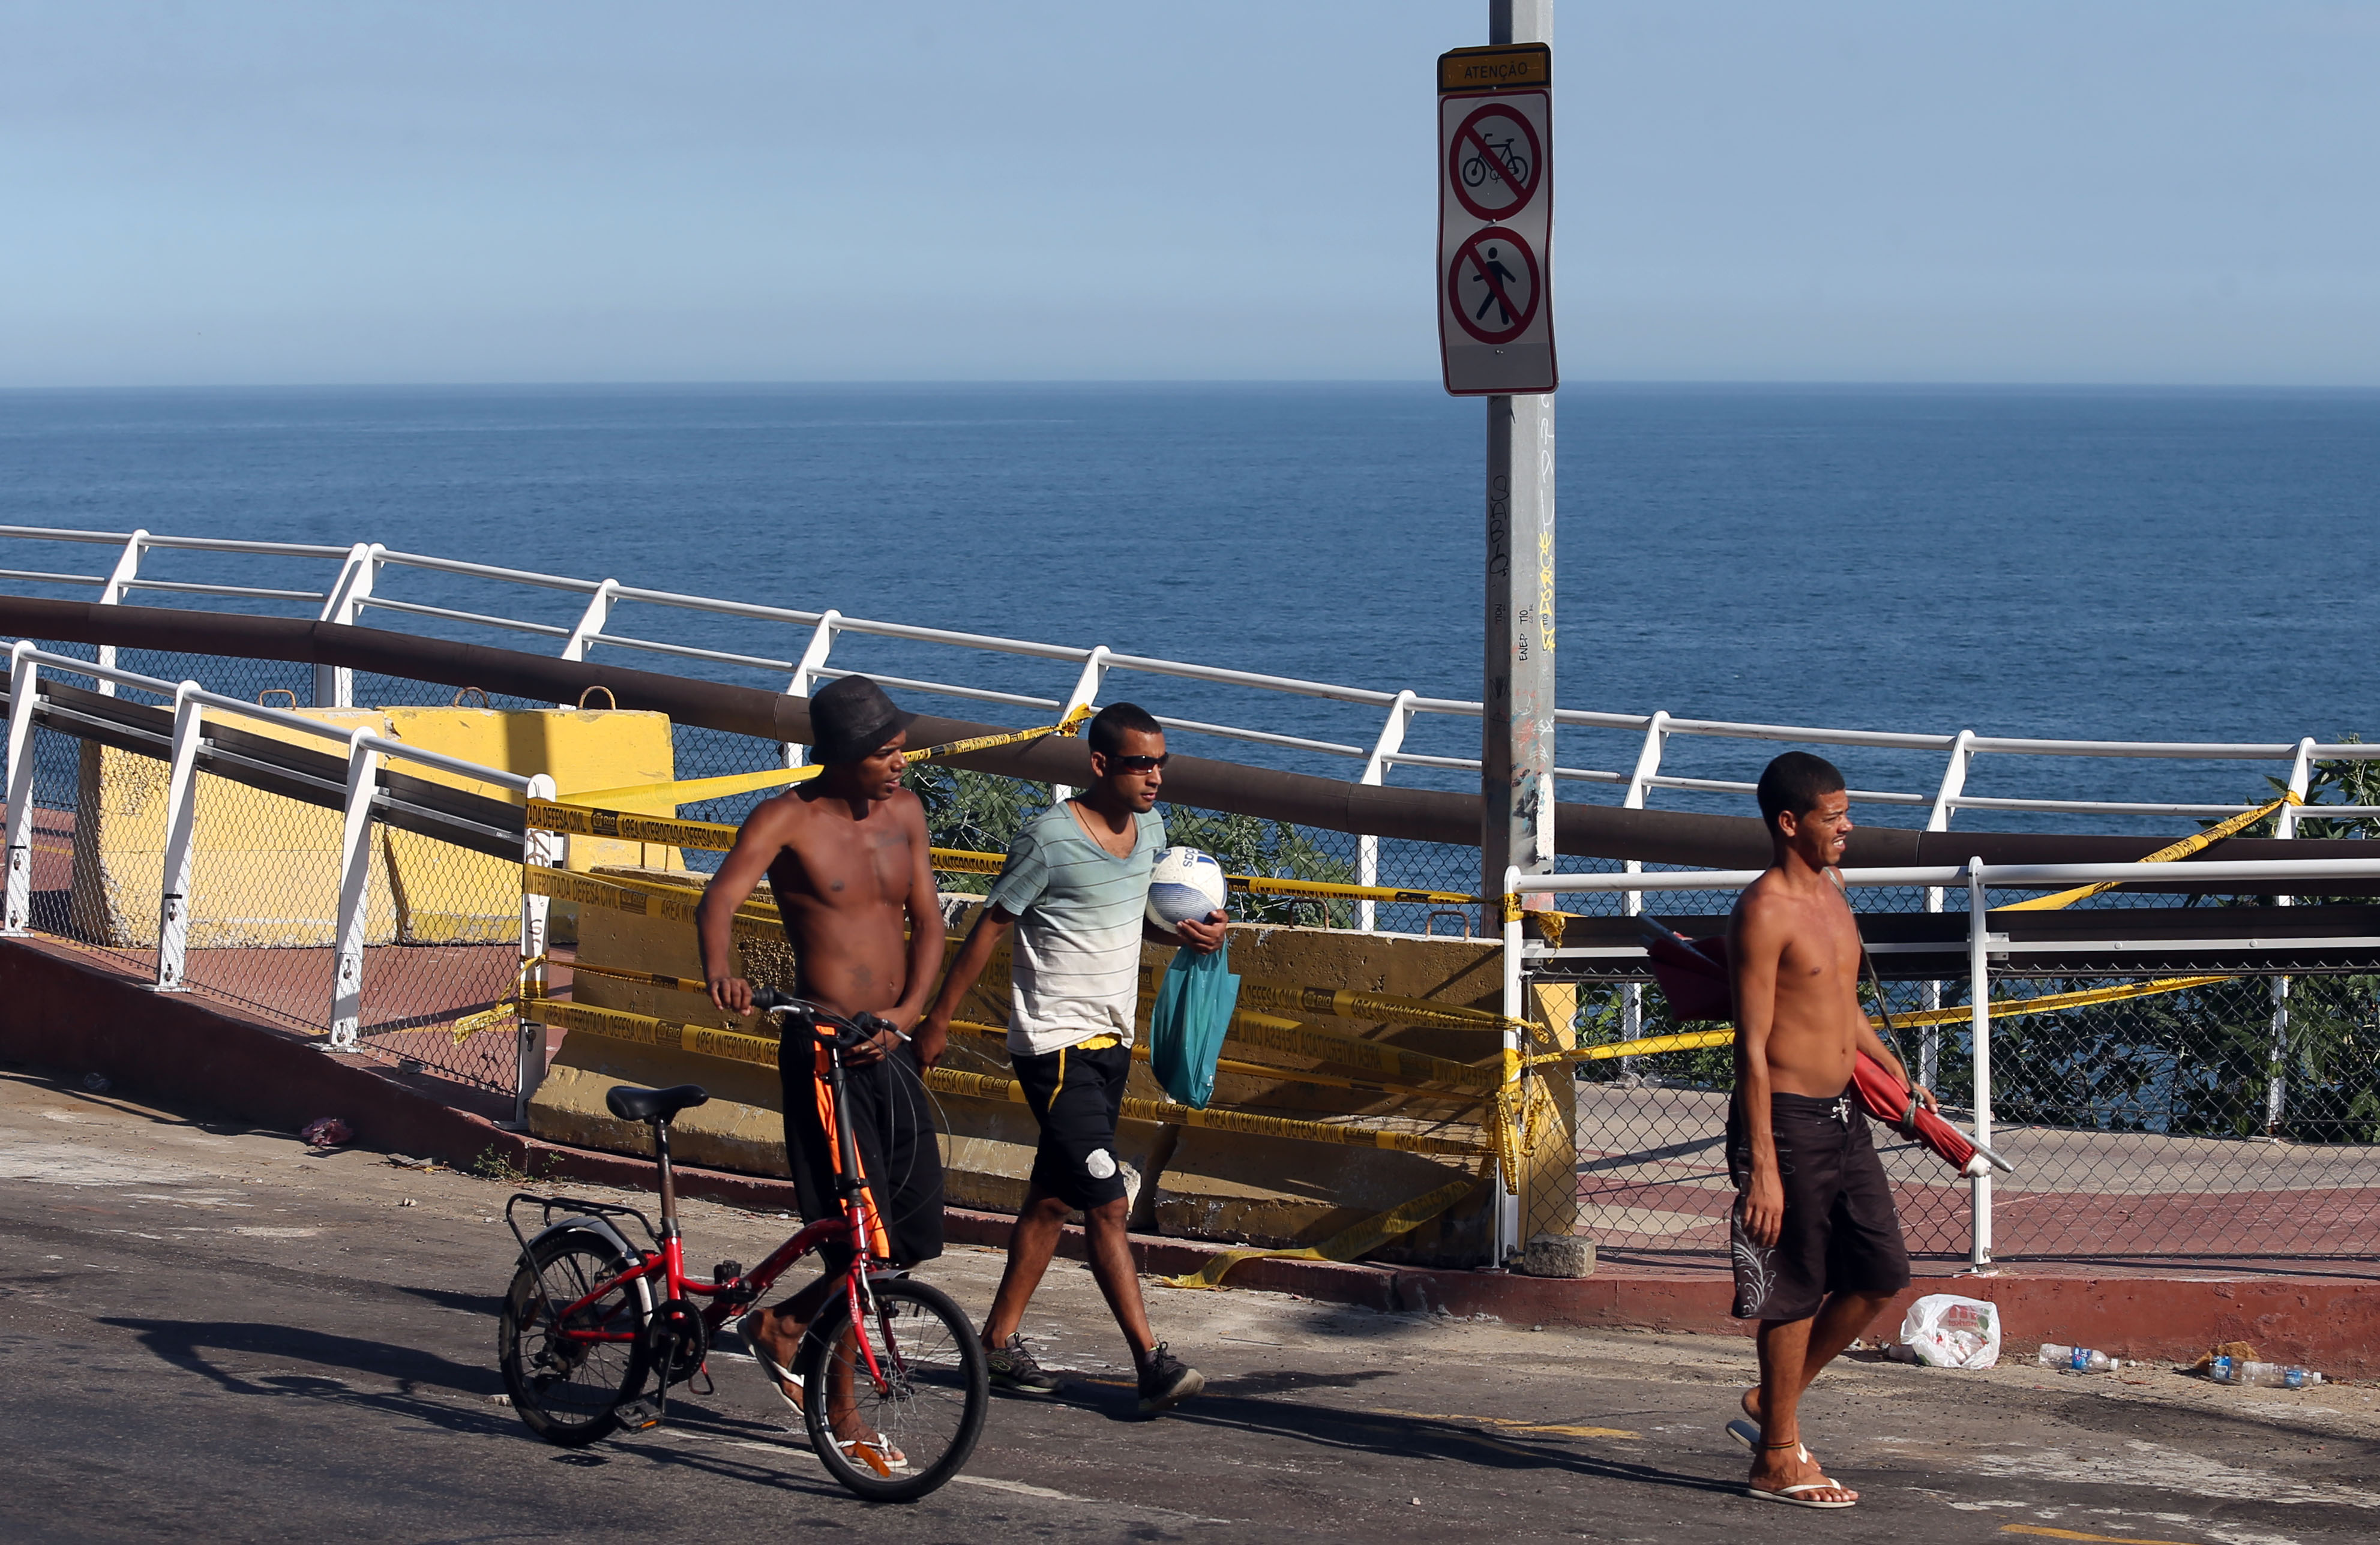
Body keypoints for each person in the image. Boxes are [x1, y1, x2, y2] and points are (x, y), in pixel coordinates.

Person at [920, 701, 1227, 1418]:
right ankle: (1152, 1362)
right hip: (1054, 1046)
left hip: (1112, 1044)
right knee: (1108, 1203)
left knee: (1054, 1198)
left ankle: (995, 1342)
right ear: (1099, 765)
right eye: (1138, 763)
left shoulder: (1150, 831)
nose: (1154, 777)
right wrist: (938, 1021)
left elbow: (1130, 925)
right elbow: (991, 929)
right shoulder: (1048, 840)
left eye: (1161, 762)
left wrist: (1190, 938)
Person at [696, 674, 946, 1469]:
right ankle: (841, 1413)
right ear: (839, 757)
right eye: (883, 751)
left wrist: (907, 1016)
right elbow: (720, 898)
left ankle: (783, 1322)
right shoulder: (787, 819)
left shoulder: (906, 812)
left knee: (908, 1229)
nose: (898, 760)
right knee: (856, 1246)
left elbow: (932, 923)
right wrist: (721, 970)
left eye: (900, 745)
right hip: (826, 1053)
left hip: (890, 1046)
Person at [1725, 751, 1930, 1510]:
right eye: (1833, 816)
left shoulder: (1834, 890)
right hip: (1786, 1120)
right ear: (1790, 823)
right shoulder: (1763, 911)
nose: (1849, 827)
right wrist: (1765, 1167)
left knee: (1880, 1272)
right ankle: (1776, 1456)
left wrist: (1895, 1070)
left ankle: (1771, 1404)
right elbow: (1750, 1045)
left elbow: (1841, 1005)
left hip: (1847, 1118)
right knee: (1790, 1291)